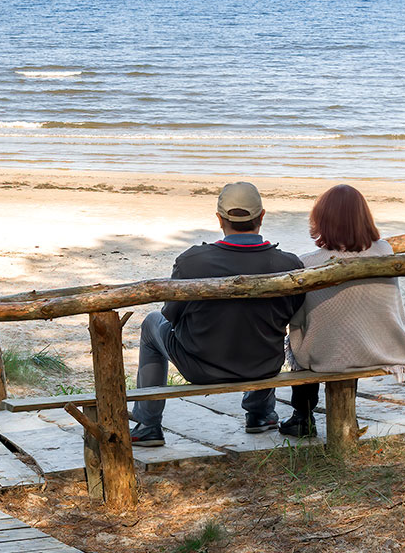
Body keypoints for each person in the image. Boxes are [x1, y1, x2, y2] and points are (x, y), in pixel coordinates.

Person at [129, 181, 305, 446]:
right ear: (262, 216)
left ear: (220, 220)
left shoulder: (193, 261)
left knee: (152, 322)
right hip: (263, 366)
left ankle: (148, 424)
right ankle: (260, 413)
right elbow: (293, 314)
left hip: (201, 368)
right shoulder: (288, 264)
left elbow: (170, 315)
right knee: (265, 329)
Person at [281, 184, 405, 437]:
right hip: (379, 344)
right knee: (347, 325)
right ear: (364, 218)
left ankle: (302, 415)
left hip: (329, 353)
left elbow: (299, 318)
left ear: (322, 220)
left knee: (303, 333)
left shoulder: (308, 263)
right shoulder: (384, 251)